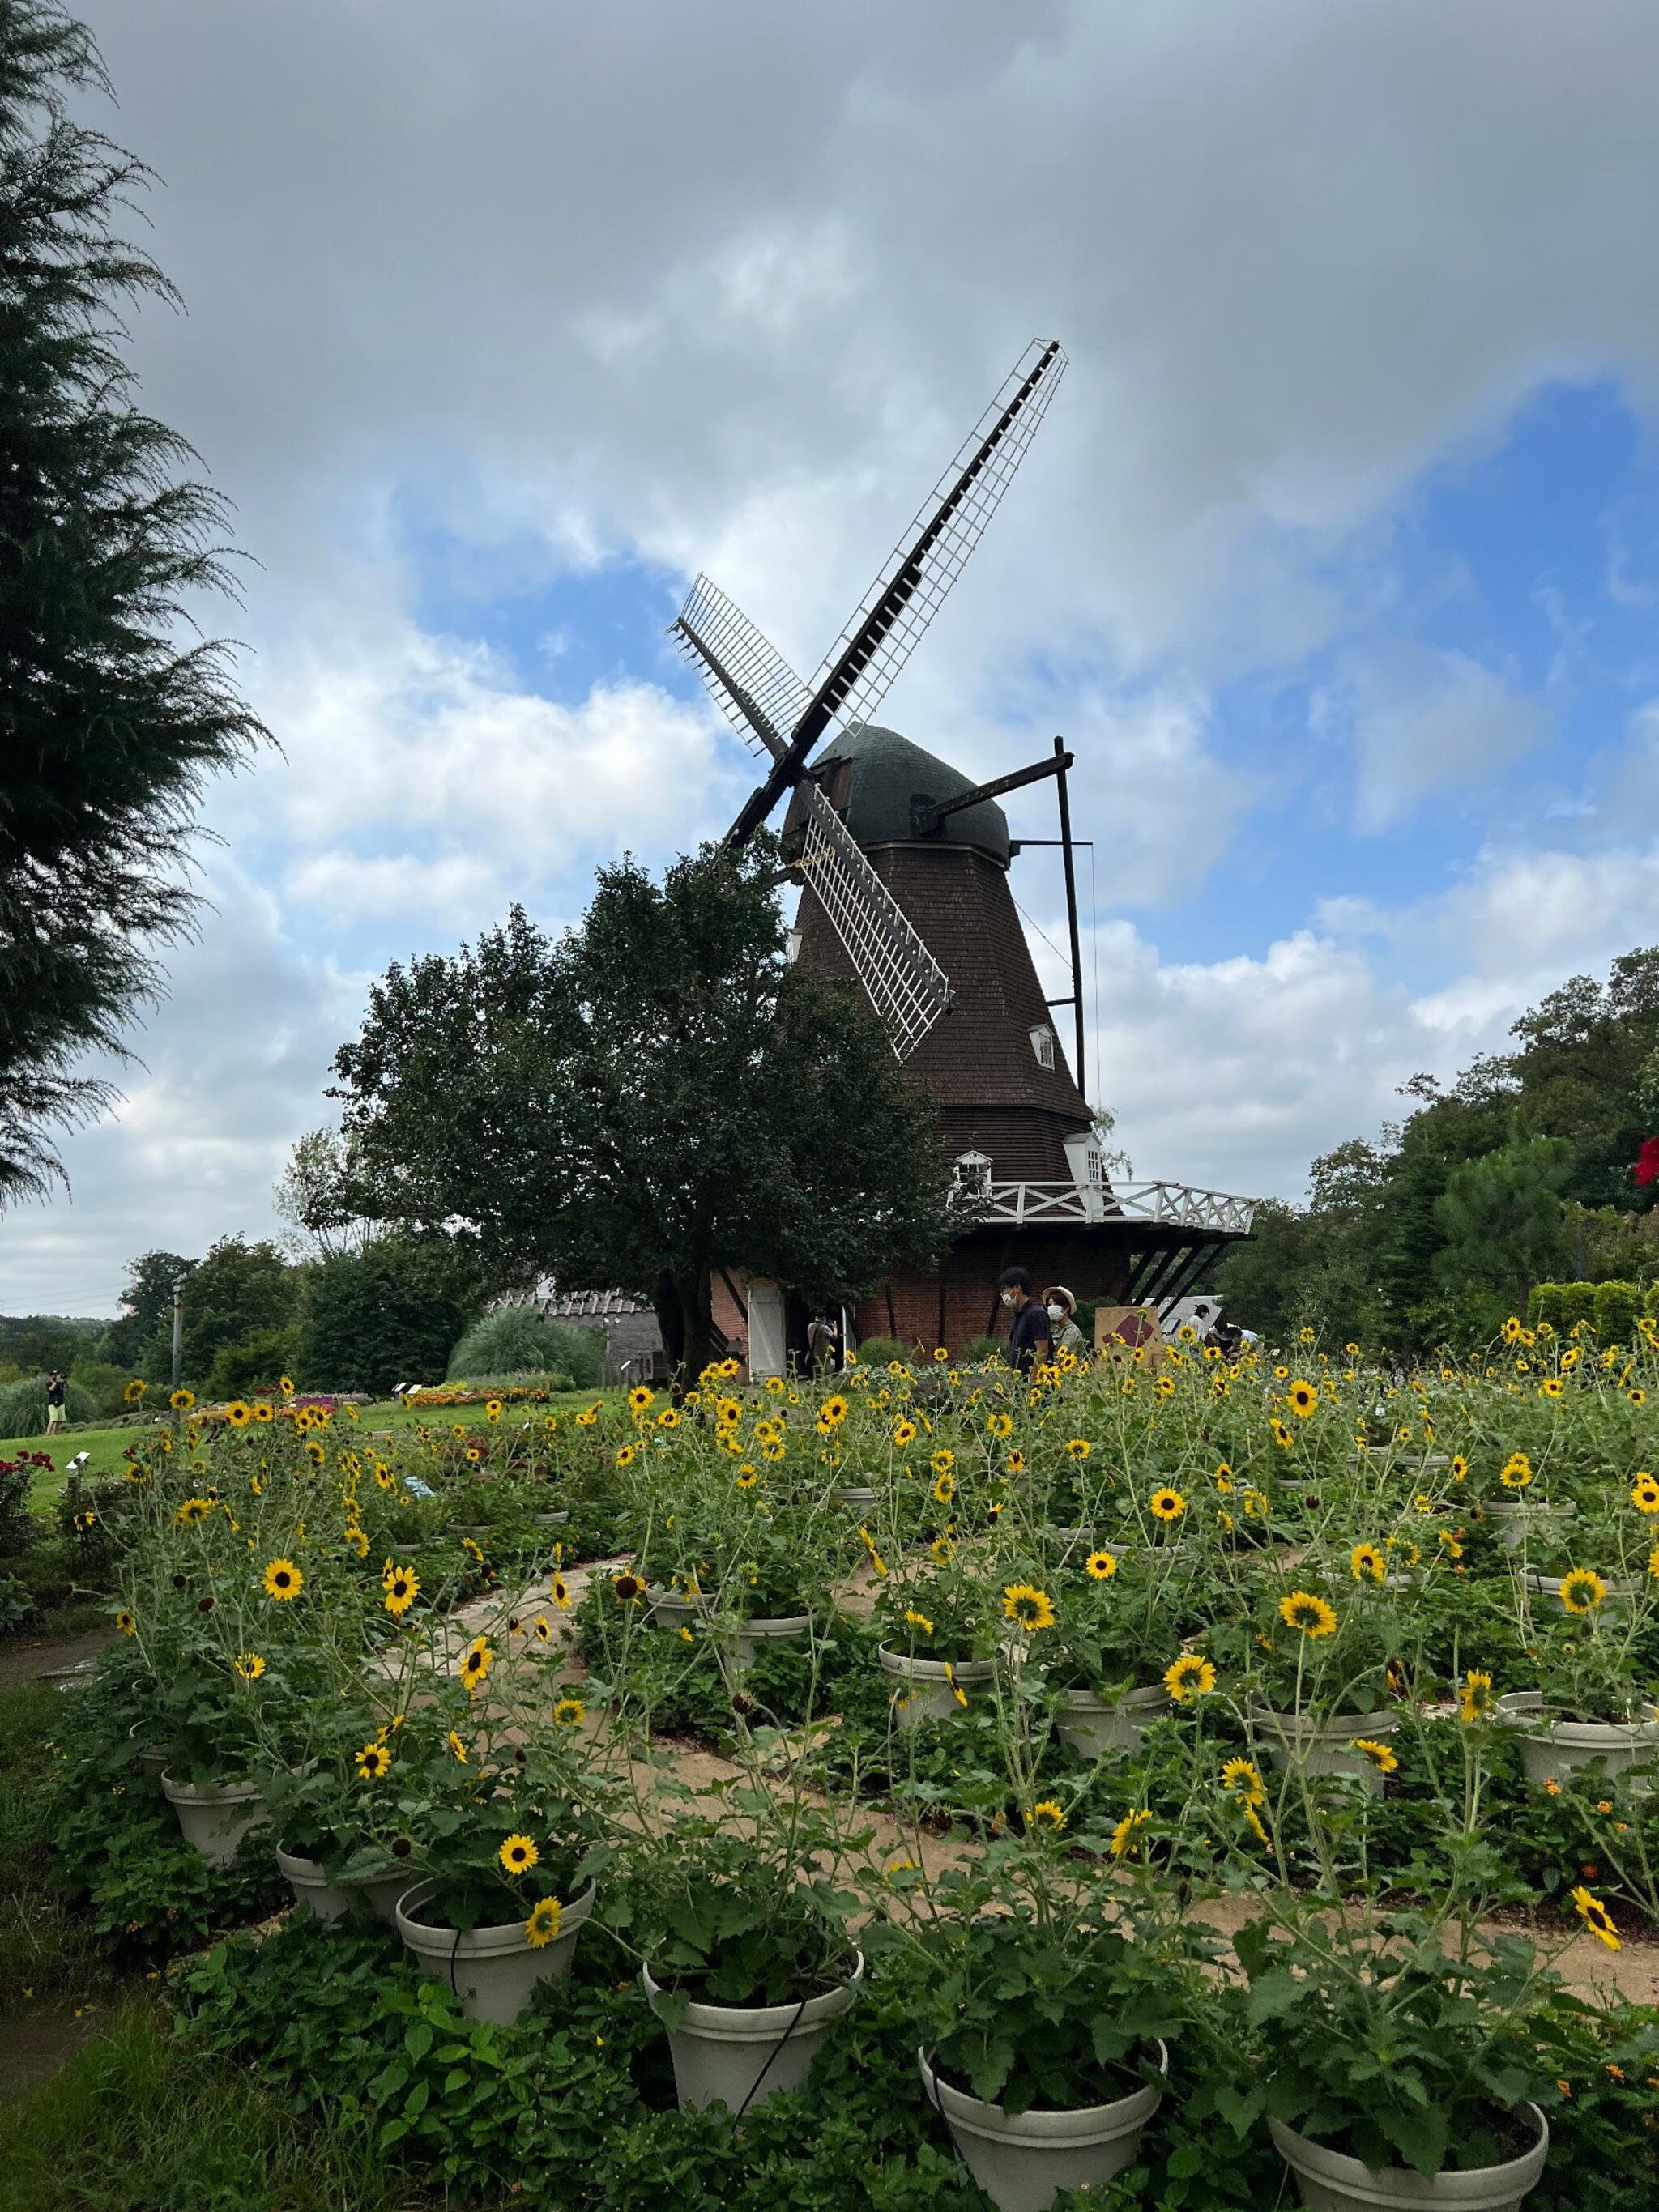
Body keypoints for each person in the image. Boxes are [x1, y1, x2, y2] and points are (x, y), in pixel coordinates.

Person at [997, 1265, 1051, 1374]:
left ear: (1017, 1288)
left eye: (1005, 1290)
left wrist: (1032, 1383)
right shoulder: (1018, 1315)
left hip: (1034, 1387)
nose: (1003, 1295)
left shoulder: (1036, 1314)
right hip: (1019, 1383)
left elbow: (1042, 1351)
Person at [1042, 1286, 1087, 1360]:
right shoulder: (1052, 1329)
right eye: (1049, 1304)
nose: (1051, 1307)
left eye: (1055, 1304)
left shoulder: (1072, 1331)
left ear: (1066, 1308)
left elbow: (1063, 1356)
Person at [807, 1312, 838, 1376]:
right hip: (824, 1355)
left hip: (813, 1354)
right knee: (826, 1372)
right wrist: (835, 1327)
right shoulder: (824, 1328)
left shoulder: (810, 1326)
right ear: (824, 1319)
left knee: (816, 1375)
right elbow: (835, 1336)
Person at [44, 1369, 66, 1434]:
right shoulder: (49, 1383)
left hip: (60, 1402)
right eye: (54, 1375)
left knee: (59, 1419)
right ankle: (48, 1432)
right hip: (53, 1403)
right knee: (53, 1419)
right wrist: (54, 1383)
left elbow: (65, 1386)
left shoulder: (60, 1383)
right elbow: (50, 1389)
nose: (55, 1376)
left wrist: (64, 1380)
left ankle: (55, 1432)